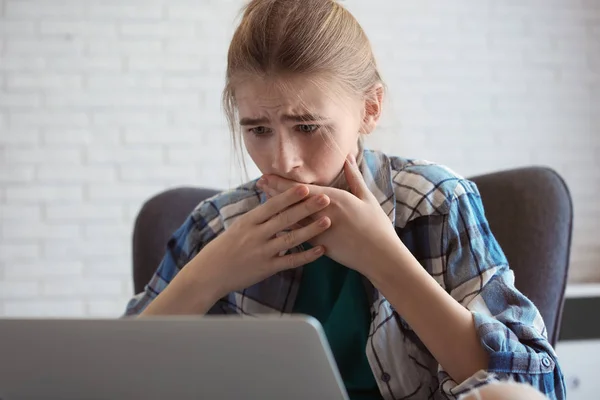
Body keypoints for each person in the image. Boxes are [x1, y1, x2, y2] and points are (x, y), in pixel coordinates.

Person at [124, 0, 565, 399]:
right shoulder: (215, 226)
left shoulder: (435, 203)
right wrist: (209, 274)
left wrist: (383, 257)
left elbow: (535, 389)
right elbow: (110, 378)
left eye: (308, 127)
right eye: (258, 130)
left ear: (369, 109)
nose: (283, 159)